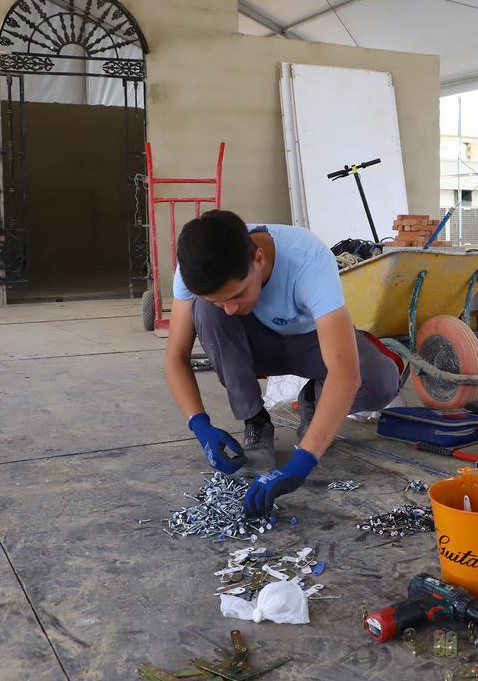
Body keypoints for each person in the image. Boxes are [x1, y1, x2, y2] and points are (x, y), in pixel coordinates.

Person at [162, 210, 401, 516]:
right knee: (206, 314)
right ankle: (256, 422)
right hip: (253, 345)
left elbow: (346, 372)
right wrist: (199, 424)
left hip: (311, 341)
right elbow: (175, 357)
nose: (230, 308)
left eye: (237, 294)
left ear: (258, 259)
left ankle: (316, 395)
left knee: (380, 380)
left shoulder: (307, 258)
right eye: (220, 299)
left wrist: (303, 461)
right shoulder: (194, 268)